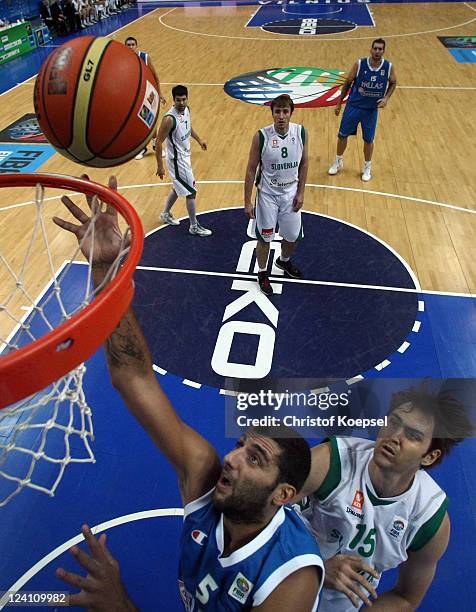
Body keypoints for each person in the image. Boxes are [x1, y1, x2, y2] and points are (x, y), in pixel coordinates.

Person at [52, 175, 324, 610]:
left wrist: (121, 604)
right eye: (241, 447)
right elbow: (133, 376)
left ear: (284, 495)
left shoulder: (291, 580)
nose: (232, 458)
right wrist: (106, 272)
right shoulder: (206, 474)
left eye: (255, 459)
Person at [297, 385, 474, 611]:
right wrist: (314, 567)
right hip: (281, 577)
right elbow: (257, 519)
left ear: (429, 457)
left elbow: (405, 597)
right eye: (393, 422)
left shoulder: (429, 521)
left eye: (412, 435)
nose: (394, 437)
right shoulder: (331, 462)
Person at [244, 94, 308, 297]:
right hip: (267, 196)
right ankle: (262, 273)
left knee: (292, 236)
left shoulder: (300, 133)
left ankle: (284, 260)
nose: (281, 116)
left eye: (285, 111)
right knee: (265, 238)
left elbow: (304, 163)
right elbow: (250, 169)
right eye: (277, 111)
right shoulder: (261, 136)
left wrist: (301, 192)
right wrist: (247, 201)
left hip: (290, 193)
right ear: (272, 113)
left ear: (291, 113)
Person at [328, 39, 397, 182]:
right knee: (342, 135)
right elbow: (347, 83)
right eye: (375, 49)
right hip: (353, 106)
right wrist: (339, 103)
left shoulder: (388, 67)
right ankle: (338, 161)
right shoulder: (360, 64)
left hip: (370, 110)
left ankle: (367, 166)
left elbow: (394, 82)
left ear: (383, 51)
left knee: (368, 140)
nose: (377, 51)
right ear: (370, 49)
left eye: (380, 49)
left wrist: (386, 98)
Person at [155, 85, 212, 236]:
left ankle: (165, 213)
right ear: (173, 100)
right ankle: (194, 226)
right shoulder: (169, 119)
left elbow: (188, 127)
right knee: (191, 191)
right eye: (178, 100)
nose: (181, 103)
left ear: (187, 98)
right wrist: (160, 166)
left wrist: (199, 140)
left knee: (178, 186)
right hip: (177, 161)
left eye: (184, 99)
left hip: (185, 156)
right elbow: (158, 142)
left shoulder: (187, 109)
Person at [124, 36, 166, 160]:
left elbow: (155, 76)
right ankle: (141, 147)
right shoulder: (123, 59)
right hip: (133, 95)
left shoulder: (145, 57)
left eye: (133, 44)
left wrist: (160, 93)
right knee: (137, 122)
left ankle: (155, 144)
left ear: (137, 46)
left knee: (150, 120)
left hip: (147, 93)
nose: (131, 47)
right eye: (128, 45)